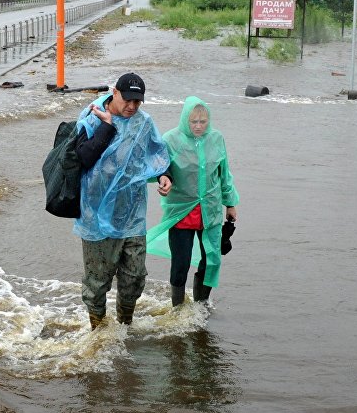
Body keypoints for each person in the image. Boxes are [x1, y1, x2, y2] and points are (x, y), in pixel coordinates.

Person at [74, 72, 172, 329]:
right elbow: (83, 158)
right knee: (97, 281)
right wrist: (107, 127)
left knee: (135, 277)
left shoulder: (143, 123)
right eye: (127, 100)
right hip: (97, 217)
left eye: (137, 102)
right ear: (114, 92)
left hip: (132, 215)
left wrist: (165, 175)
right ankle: (98, 332)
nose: (131, 107)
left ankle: (124, 327)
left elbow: (157, 153)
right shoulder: (92, 117)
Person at [147, 96, 239, 307]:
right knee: (181, 262)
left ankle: (201, 305)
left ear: (209, 121)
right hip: (181, 210)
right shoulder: (170, 140)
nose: (198, 126)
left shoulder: (216, 139)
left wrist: (230, 203)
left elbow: (224, 174)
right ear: (185, 120)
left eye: (202, 122)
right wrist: (164, 181)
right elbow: (158, 168)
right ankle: (178, 308)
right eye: (193, 122)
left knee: (211, 260)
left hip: (211, 210)